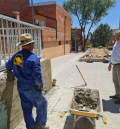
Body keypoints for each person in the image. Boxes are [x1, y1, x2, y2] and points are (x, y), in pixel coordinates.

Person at [5, 33, 49, 129]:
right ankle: (40, 125)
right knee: (42, 103)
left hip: (20, 85)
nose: (33, 46)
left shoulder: (16, 56)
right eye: (32, 44)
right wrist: (41, 85)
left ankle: (30, 127)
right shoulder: (33, 58)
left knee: (26, 108)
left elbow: (7, 66)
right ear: (30, 45)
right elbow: (37, 75)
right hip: (31, 86)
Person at [108, 32, 120, 104]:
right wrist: (110, 64)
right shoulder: (115, 44)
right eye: (116, 36)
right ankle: (118, 95)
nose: (117, 37)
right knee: (115, 81)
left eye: (118, 35)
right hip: (114, 65)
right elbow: (112, 55)